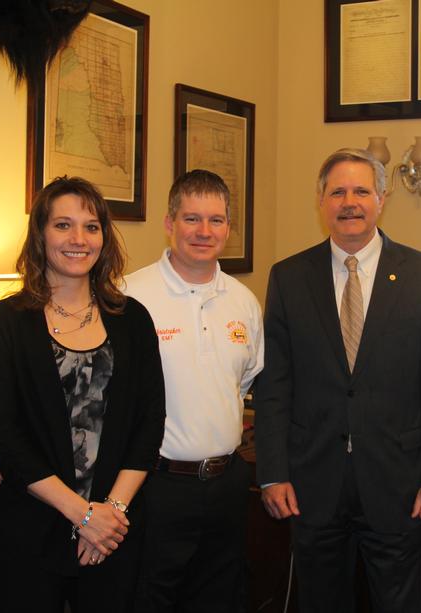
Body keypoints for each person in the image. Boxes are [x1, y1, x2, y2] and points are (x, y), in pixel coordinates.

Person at [254, 148, 421, 613]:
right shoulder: (288, 277)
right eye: (338, 192)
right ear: (321, 201)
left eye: (361, 191)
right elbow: (275, 387)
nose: (349, 202)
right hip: (312, 486)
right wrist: (272, 473)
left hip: (398, 485)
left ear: (382, 198)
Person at [0, 176, 166, 612]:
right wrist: (83, 516)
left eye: (91, 226)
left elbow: (149, 424)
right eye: (63, 225)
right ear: (40, 235)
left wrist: (109, 515)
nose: (79, 239)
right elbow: (2, 439)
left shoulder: (132, 319)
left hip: (117, 531)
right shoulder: (1, 324)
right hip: (31, 532)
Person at [123, 169, 264, 612]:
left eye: (216, 220)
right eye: (192, 219)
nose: (205, 232)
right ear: (169, 224)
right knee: (152, 597)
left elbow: (241, 383)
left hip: (227, 483)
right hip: (157, 487)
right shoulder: (129, 295)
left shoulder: (243, 300)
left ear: (228, 227)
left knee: (221, 596)